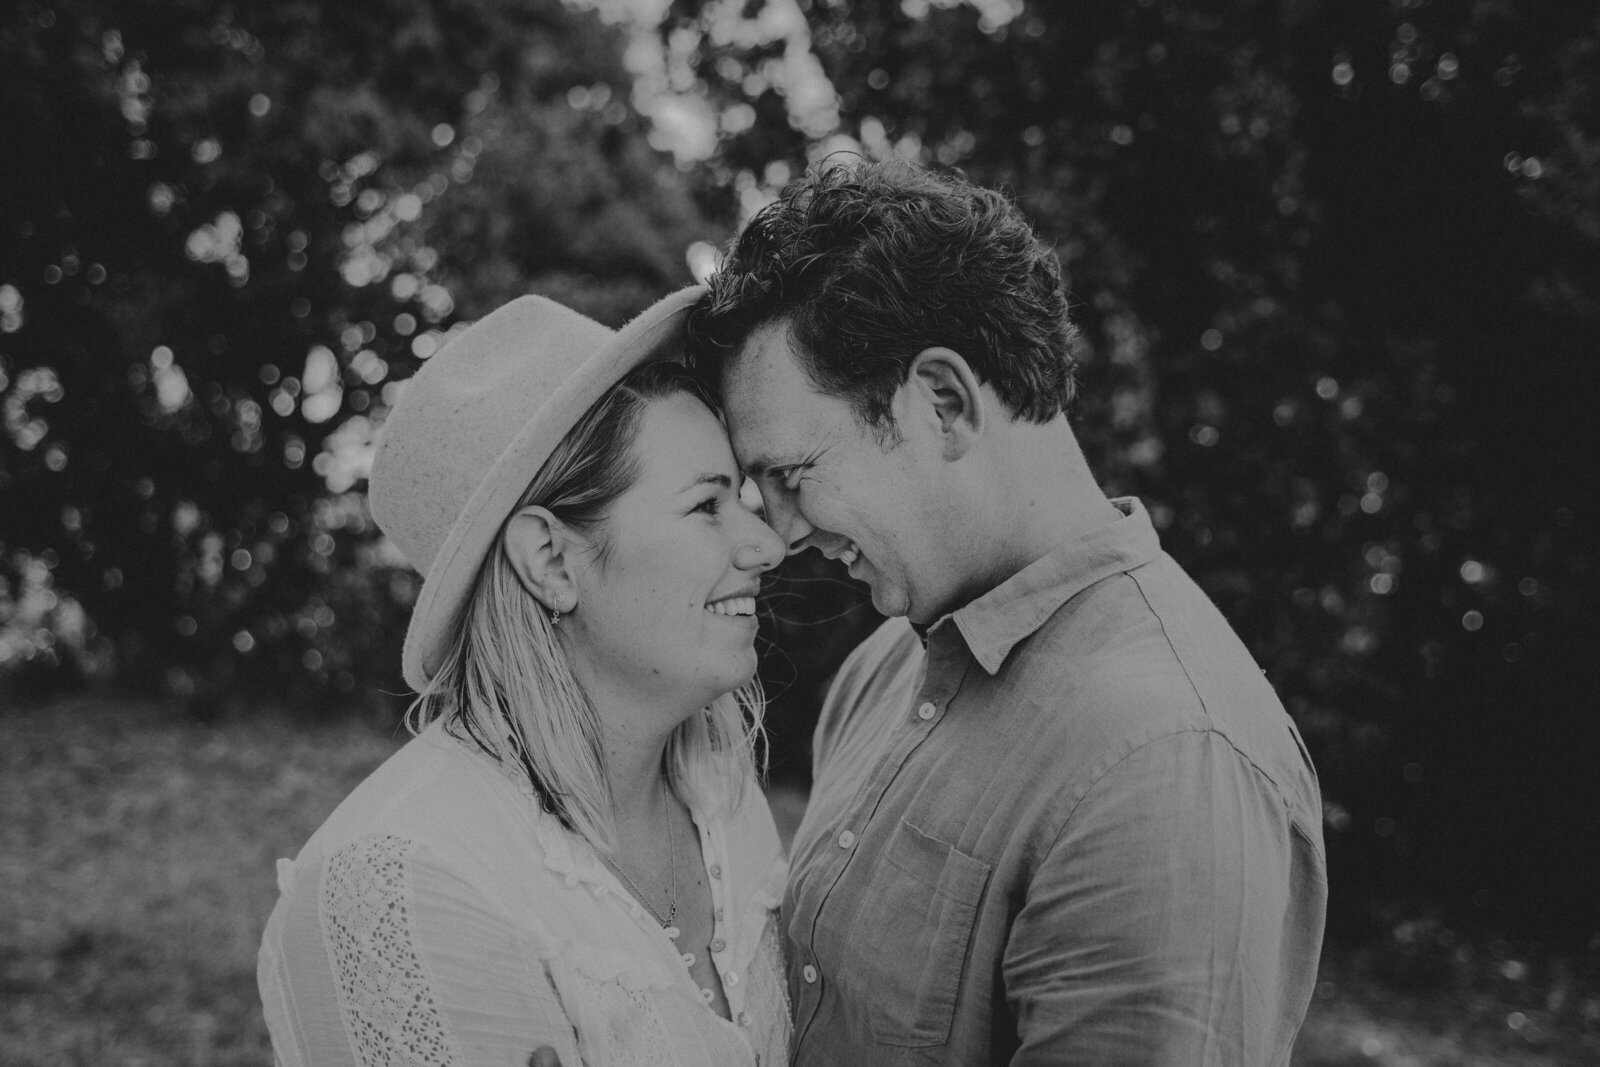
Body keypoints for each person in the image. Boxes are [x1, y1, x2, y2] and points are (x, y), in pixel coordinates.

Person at [684, 158, 1329, 1064]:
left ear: (943, 404)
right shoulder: (883, 669)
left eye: (790, 476)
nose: (781, 534)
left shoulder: (1164, 767)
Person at [257, 289, 793, 1067]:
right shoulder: (397, 888)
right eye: (707, 506)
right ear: (550, 561)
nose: (767, 545)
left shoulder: (723, 790)